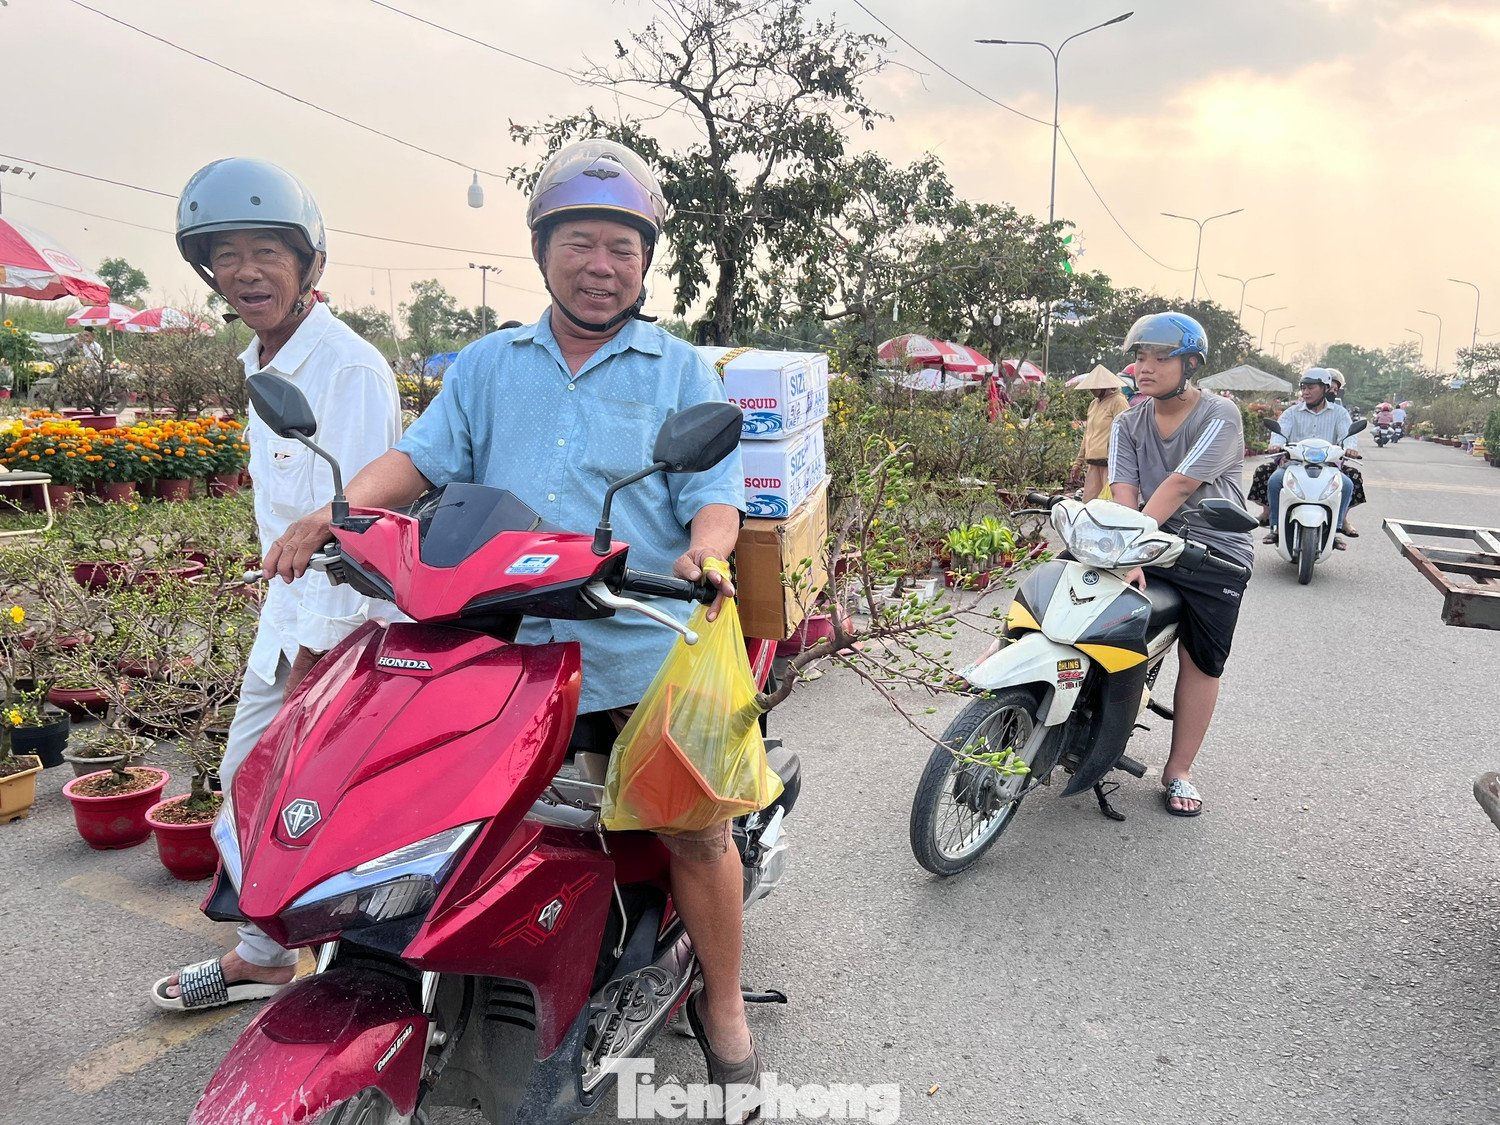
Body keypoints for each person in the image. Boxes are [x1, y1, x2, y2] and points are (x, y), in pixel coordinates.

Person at [267, 139, 762, 1119]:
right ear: (543, 251)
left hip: (633, 647)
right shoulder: (492, 364)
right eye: (581, 242)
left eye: (623, 247)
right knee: (429, 816)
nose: (601, 264)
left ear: (645, 263)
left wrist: (707, 554)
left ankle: (727, 1002)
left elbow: (715, 495)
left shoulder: (679, 370)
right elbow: (415, 462)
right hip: (499, 652)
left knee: (693, 830)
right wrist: (337, 513)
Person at [151, 158, 402, 1012]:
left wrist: (321, 662)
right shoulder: (258, 355)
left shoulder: (349, 367)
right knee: (256, 778)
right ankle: (275, 948)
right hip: (288, 613)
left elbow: (364, 512)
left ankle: (306, 950)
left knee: (294, 785)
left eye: (265, 251)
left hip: (342, 622)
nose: (245, 271)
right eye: (225, 255)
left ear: (309, 265)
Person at [1108, 312, 1253, 818]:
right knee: (1064, 578)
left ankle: (1179, 770)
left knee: (1200, 659)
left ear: (1191, 363)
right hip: (1148, 538)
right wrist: (1124, 547)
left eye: (1160, 358)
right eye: (1140, 357)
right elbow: (1123, 492)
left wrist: (1131, 546)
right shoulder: (1127, 421)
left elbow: (1180, 485)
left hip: (1214, 551)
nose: (1145, 368)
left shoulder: (1221, 414)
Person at [1260, 369, 1360, 549]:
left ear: (1325, 388)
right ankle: (1275, 527)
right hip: (1294, 464)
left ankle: (1335, 530)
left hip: (1328, 466)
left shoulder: (1340, 413)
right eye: (1303, 388)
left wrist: (1350, 448)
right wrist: (1276, 443)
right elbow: (1280, 432)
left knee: (1347, 485)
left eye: (1311, 388)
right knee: (1275, 481)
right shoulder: (1292, 412)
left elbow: (1348, 436)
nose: (1305, 392)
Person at [1070, 366, 1130, 500]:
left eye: (1095, 387)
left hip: (1110, 465)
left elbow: (1125, 432)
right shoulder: (1093, 404)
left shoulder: (1118, 402)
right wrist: (1078, 463)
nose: (1092, 390)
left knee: (1109, 505)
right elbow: (1088, 435)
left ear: (1105, 386)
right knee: (1089, 504)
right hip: (1093, 463)